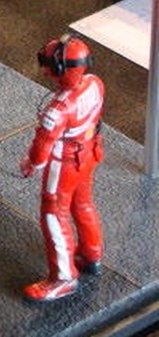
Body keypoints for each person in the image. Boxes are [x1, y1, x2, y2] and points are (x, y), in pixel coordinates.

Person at [20, 33, 105, 301]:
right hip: (89, 152)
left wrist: (31, 164)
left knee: (53, 215)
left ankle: (63, 278)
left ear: (60, 69)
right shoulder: (95, 83)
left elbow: (41, 148)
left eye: (49, 65)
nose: (46, 70)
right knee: (83, 204)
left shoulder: (58, 110)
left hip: (64, 164)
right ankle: (91, 254)